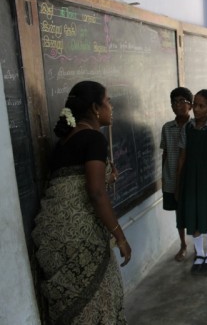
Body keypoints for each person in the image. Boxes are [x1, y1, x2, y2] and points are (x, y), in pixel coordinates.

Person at [32, 81, 131, 325]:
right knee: (101, 301)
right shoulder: (94, 139)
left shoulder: (64, 142)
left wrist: (106, 175)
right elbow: (95, 192)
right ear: (96, 108)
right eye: (107, 101)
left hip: (53, 235)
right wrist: (120, 237)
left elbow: (71, 181)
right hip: (81, 238)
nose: (111, 106)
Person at [176, 89, 207, 275]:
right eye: (194, 104)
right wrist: (178, 182)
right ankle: (199, 254)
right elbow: (182, 157)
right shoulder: (186, 128)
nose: (196, 109)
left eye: (201, 106)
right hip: (190, 179)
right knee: (193, 215)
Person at [160, 87, 193, 262]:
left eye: (182, 101)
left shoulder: (195, 126)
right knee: (179, 213)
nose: (178, 105)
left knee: (193, 210)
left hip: (190, 177)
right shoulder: (167, 127)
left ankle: (201, 247)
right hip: (172, 176)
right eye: (174, 102)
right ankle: (183, 244)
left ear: (191, 105)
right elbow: (164, 153)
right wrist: (164, 178)